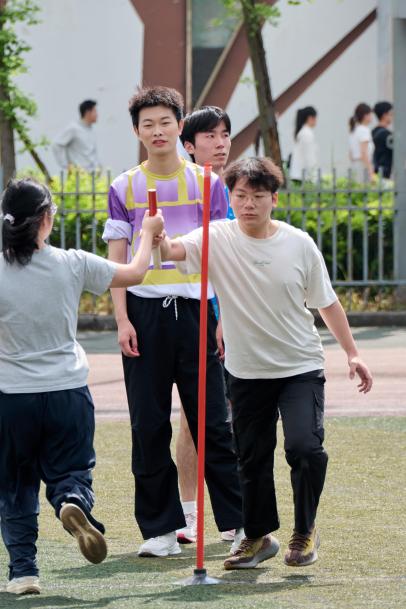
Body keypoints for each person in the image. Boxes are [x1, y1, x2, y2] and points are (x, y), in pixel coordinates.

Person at [160, 156, 373, 571]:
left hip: (300, 367)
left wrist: (353, 352)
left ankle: (304, 531)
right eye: (240, 195)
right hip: (246, 371)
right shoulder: (215, 237)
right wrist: (157, 236)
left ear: (274, 199)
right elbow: (172, 251)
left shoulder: (298, 243)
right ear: (230, 197)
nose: (248, 204)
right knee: (251, 457)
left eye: (257, 196)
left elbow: (326, 302)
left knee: (305, 448)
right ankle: (257, 537)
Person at [0, 178, 163, 595]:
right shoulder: (72, 263)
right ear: (47, 219)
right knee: (71, 470)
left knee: (16, 486)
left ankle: (23, 573)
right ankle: (71, 500)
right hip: (67, 392)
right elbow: (135, 273)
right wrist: (147, 232)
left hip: (12, 396)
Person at [102, 86, 243, 558]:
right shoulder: (124, 186)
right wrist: (122, 319)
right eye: (148, 124)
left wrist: (223, 315)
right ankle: (160, 531)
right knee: (148, 425)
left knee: (213, 424)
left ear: (179, 127)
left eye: (165, 122)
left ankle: (237, 524)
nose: (157, 131)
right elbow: (117, 258)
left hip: (199, 311)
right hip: (144, 314)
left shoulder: (209, 184)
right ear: (137, 132)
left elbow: (223, 251)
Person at [175, 105, 234, 545]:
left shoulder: (234, 188)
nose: (221, 143)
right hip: (196, 311)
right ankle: (189, 514)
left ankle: (235, 514)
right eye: (210, 136)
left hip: (233, 312)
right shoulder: (182, 188)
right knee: (192, 419)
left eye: (225, 134)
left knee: (230, 418)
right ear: (189, 145)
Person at [53, 100, 100, 173]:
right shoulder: (74, 128)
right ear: (88, 112)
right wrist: (66, 165)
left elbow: (91, 152)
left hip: (93, 174)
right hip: (79, 175)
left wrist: (98, 166)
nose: (97, 115)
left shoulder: (90, 130)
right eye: (95, 111)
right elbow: (57, 144)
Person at [289, 106, 318, 183]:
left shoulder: (303, 132)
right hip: (303, 178)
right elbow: (309, 157)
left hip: (298, 176)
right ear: (310, 118)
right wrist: (314, 178)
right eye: (316, 118)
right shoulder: (307, 133)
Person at [348, 103, 374, 182]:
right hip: (363, 166)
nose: (372, 117)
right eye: (370, 114)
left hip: (355, 165)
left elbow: (351, 154)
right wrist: (370, 169)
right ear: (366, 116)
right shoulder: (364, 130)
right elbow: (364, 152)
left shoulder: (354, 130)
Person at [372, 101, 393, 179]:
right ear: (384, 115)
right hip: (384, 173)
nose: (392, 117)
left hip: (374, 172)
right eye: (391, 114)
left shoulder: (373, 132)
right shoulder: (387, 135)